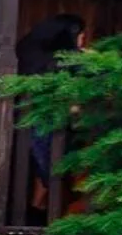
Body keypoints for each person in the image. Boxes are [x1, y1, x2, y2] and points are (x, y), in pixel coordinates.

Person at [15, 13, 86, 212]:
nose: (83, 39)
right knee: (51, 164)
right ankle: (48, 207)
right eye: (81, 35)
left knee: (42, 165)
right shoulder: (65, 59)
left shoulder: (29, 50)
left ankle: (37, 208)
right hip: (48, 118)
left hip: (29, 118)